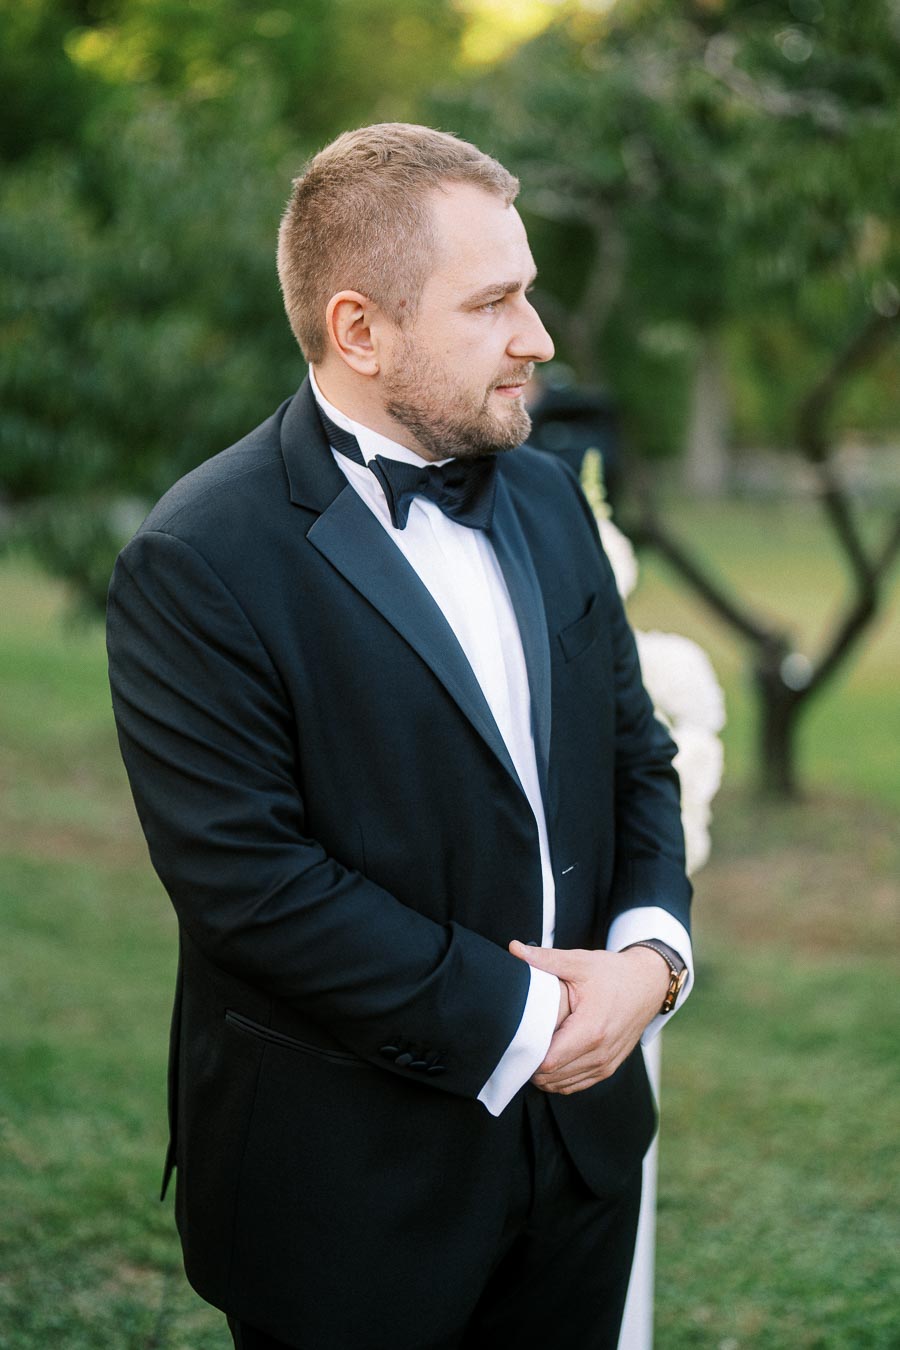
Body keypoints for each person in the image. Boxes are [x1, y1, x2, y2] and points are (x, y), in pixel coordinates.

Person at [107, 123, 693, 1350]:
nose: (539, 338)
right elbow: (252, 889)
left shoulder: (543, 490)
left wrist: (651, 962)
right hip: (348, 1196)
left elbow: (634, 755)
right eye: (494, 304)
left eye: (528, 293)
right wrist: (535, 1025)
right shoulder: (198, 559)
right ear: (360, 329)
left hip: (583, 1168)